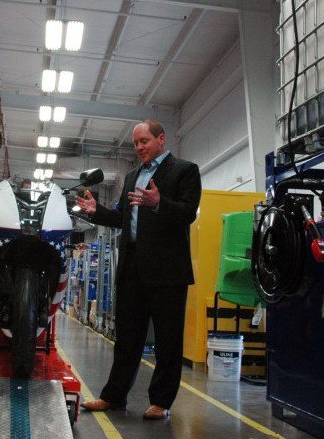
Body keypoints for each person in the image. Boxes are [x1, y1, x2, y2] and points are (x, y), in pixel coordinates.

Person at [76, 119, 201, 421]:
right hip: (132, 269)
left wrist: (159, 203)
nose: (140, 147)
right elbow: (123, 219)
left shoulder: (185, 170)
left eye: (145, 141)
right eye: (135, 143)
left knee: (167, 341)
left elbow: (187, 213)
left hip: (167, 271)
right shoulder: (132, 176)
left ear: (161, 139)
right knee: (127, 338)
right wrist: (97, 212)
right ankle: (113, 396)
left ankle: (161, 401)